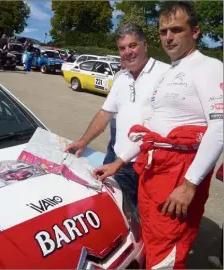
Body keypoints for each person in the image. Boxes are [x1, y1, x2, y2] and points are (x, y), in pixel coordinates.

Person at [93, 2, 223, 269]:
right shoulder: (171, 71)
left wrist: (190, 185)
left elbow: (219, 128)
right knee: (152, 242)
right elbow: (152, 129)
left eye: (176, 29)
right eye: (163, 31)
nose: (169, 37)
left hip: (178, 174)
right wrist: (118, 162)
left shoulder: (208, 67)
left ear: (195, 31)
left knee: (168, 251)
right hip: (154, 171)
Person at [65, 23, 170, 207]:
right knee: (123, 215)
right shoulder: (121, 77)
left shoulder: (166, 74)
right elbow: (105, 113)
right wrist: (84, 141)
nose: (127, 52)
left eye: (132, 45)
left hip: (152, 167)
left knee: (149, 220)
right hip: (121, 165)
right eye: (122, 48)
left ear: (145, 45)